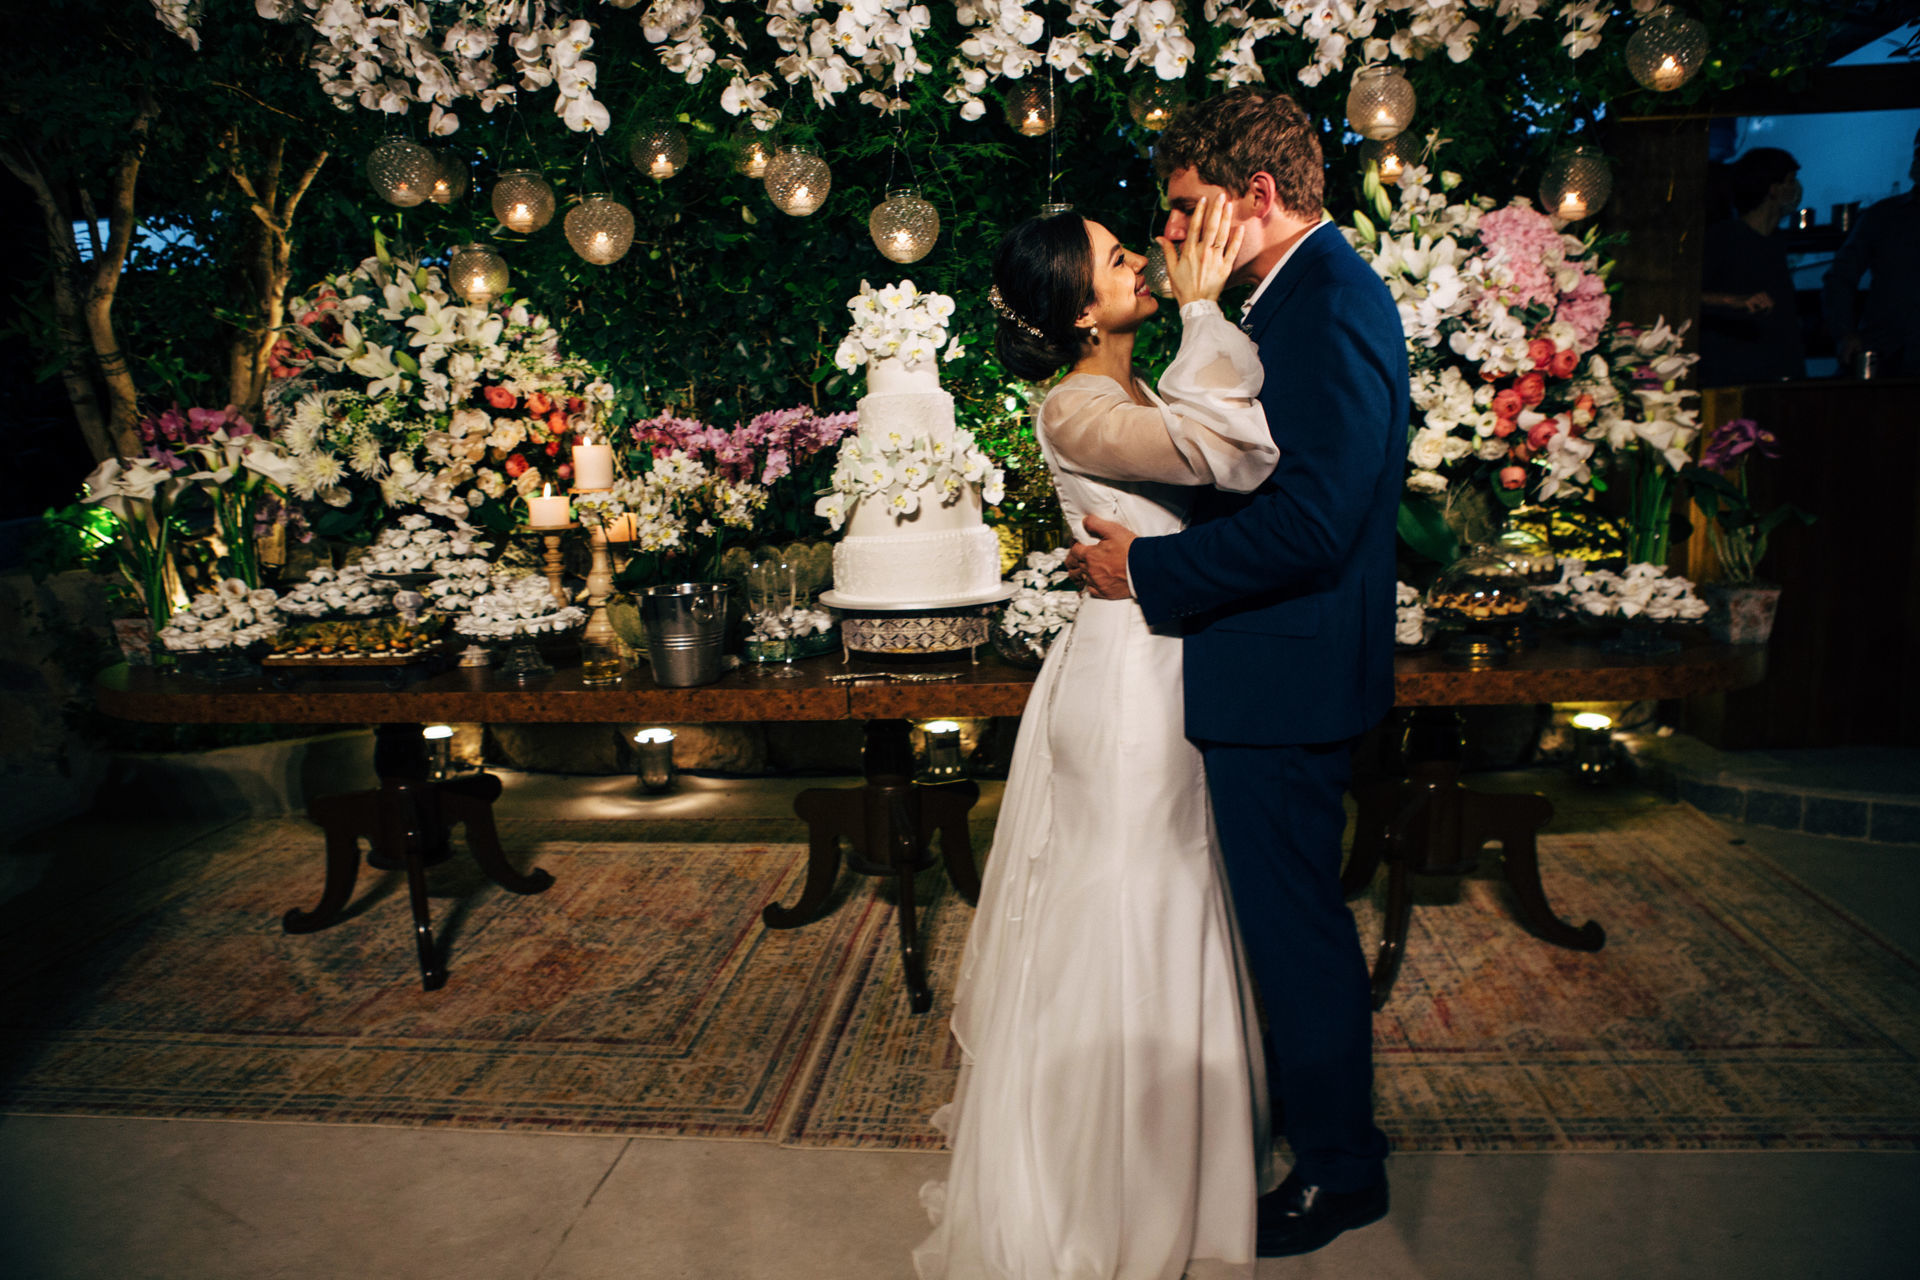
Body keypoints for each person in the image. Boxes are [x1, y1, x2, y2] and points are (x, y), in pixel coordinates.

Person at [912, 197, 1281, 1280]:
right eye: (1121, 258)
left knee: (1175, 892)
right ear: (1081, 309)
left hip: (1164, 663)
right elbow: (1231, 455)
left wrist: (1198, 332)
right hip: (1125, 687)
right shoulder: (1075, 406)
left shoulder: (1126, 380)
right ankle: (1096, 1198)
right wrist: (1210, 311)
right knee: (1128, 899)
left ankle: (1176, 1171)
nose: (1146, 262)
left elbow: (1209, 443)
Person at [1066, 87, 1404, 1258]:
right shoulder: (1283, 293)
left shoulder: (1330, 304)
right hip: (1269, 662)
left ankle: (1339, 1170)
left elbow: (1315, 521)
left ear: (1256, 198)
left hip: (1288, 670)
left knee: (1294, 929)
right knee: (1278, 922)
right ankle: (1321, 1132)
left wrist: (1151, 574)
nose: (1166, 233)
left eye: (1182, 209)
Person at [1698, 147, 1805, 387]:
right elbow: (1688, 296)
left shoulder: (1777, 241)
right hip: (1735, 376)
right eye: (1790, 181)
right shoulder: (1723, 238)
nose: (1796, 188)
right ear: (1773, 189)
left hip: (1779, 373)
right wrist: (1732, 301)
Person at [1824, 126, 1920, 377]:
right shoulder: (1884, 216)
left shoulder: (1884, 215)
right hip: (1887, 352)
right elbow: (1840, 277)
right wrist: (1845, 333)